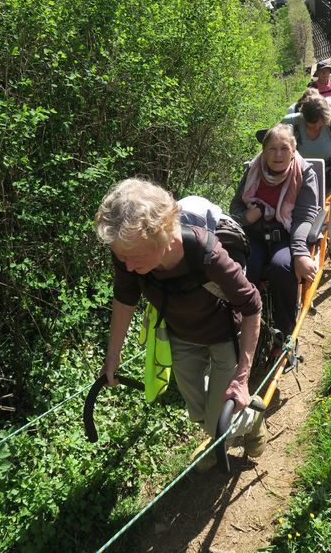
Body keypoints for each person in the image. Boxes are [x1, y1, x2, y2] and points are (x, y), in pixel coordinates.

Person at [95, 178, 266, 471]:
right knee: (196, 411)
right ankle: (217, 432)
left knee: (216, 423)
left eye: (134, 257)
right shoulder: (127, 252)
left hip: (224, 336)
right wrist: (112, 357)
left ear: (163, 235)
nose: (128, 266)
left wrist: (242, 377)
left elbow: (252, 306)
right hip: (181, 336)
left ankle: (248, 420)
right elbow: (125, 298)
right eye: (122, 257)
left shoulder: (206, 253)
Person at [230, 124, 319, 339]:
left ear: (293, 150)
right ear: (263, 150)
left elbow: (304, 217)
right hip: (255, 235)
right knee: (241, 270)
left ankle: (284, 335)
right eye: (271, 148)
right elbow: (235, 208)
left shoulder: (305, 172)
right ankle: (238, 329)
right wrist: (247, 217)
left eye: (284, 148)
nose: (278, 154)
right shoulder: (253, 169)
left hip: (286, 237)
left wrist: (300, 253)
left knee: (283, 268)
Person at [281, 94, 331, 261]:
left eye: (320, 124)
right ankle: (302, 247)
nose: (317, 127)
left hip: (330, 175)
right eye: (311, 125)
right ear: (304, 118)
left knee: (330, 216)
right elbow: (276, 141)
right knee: (303, 214)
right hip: (301, 176)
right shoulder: (292, 122)